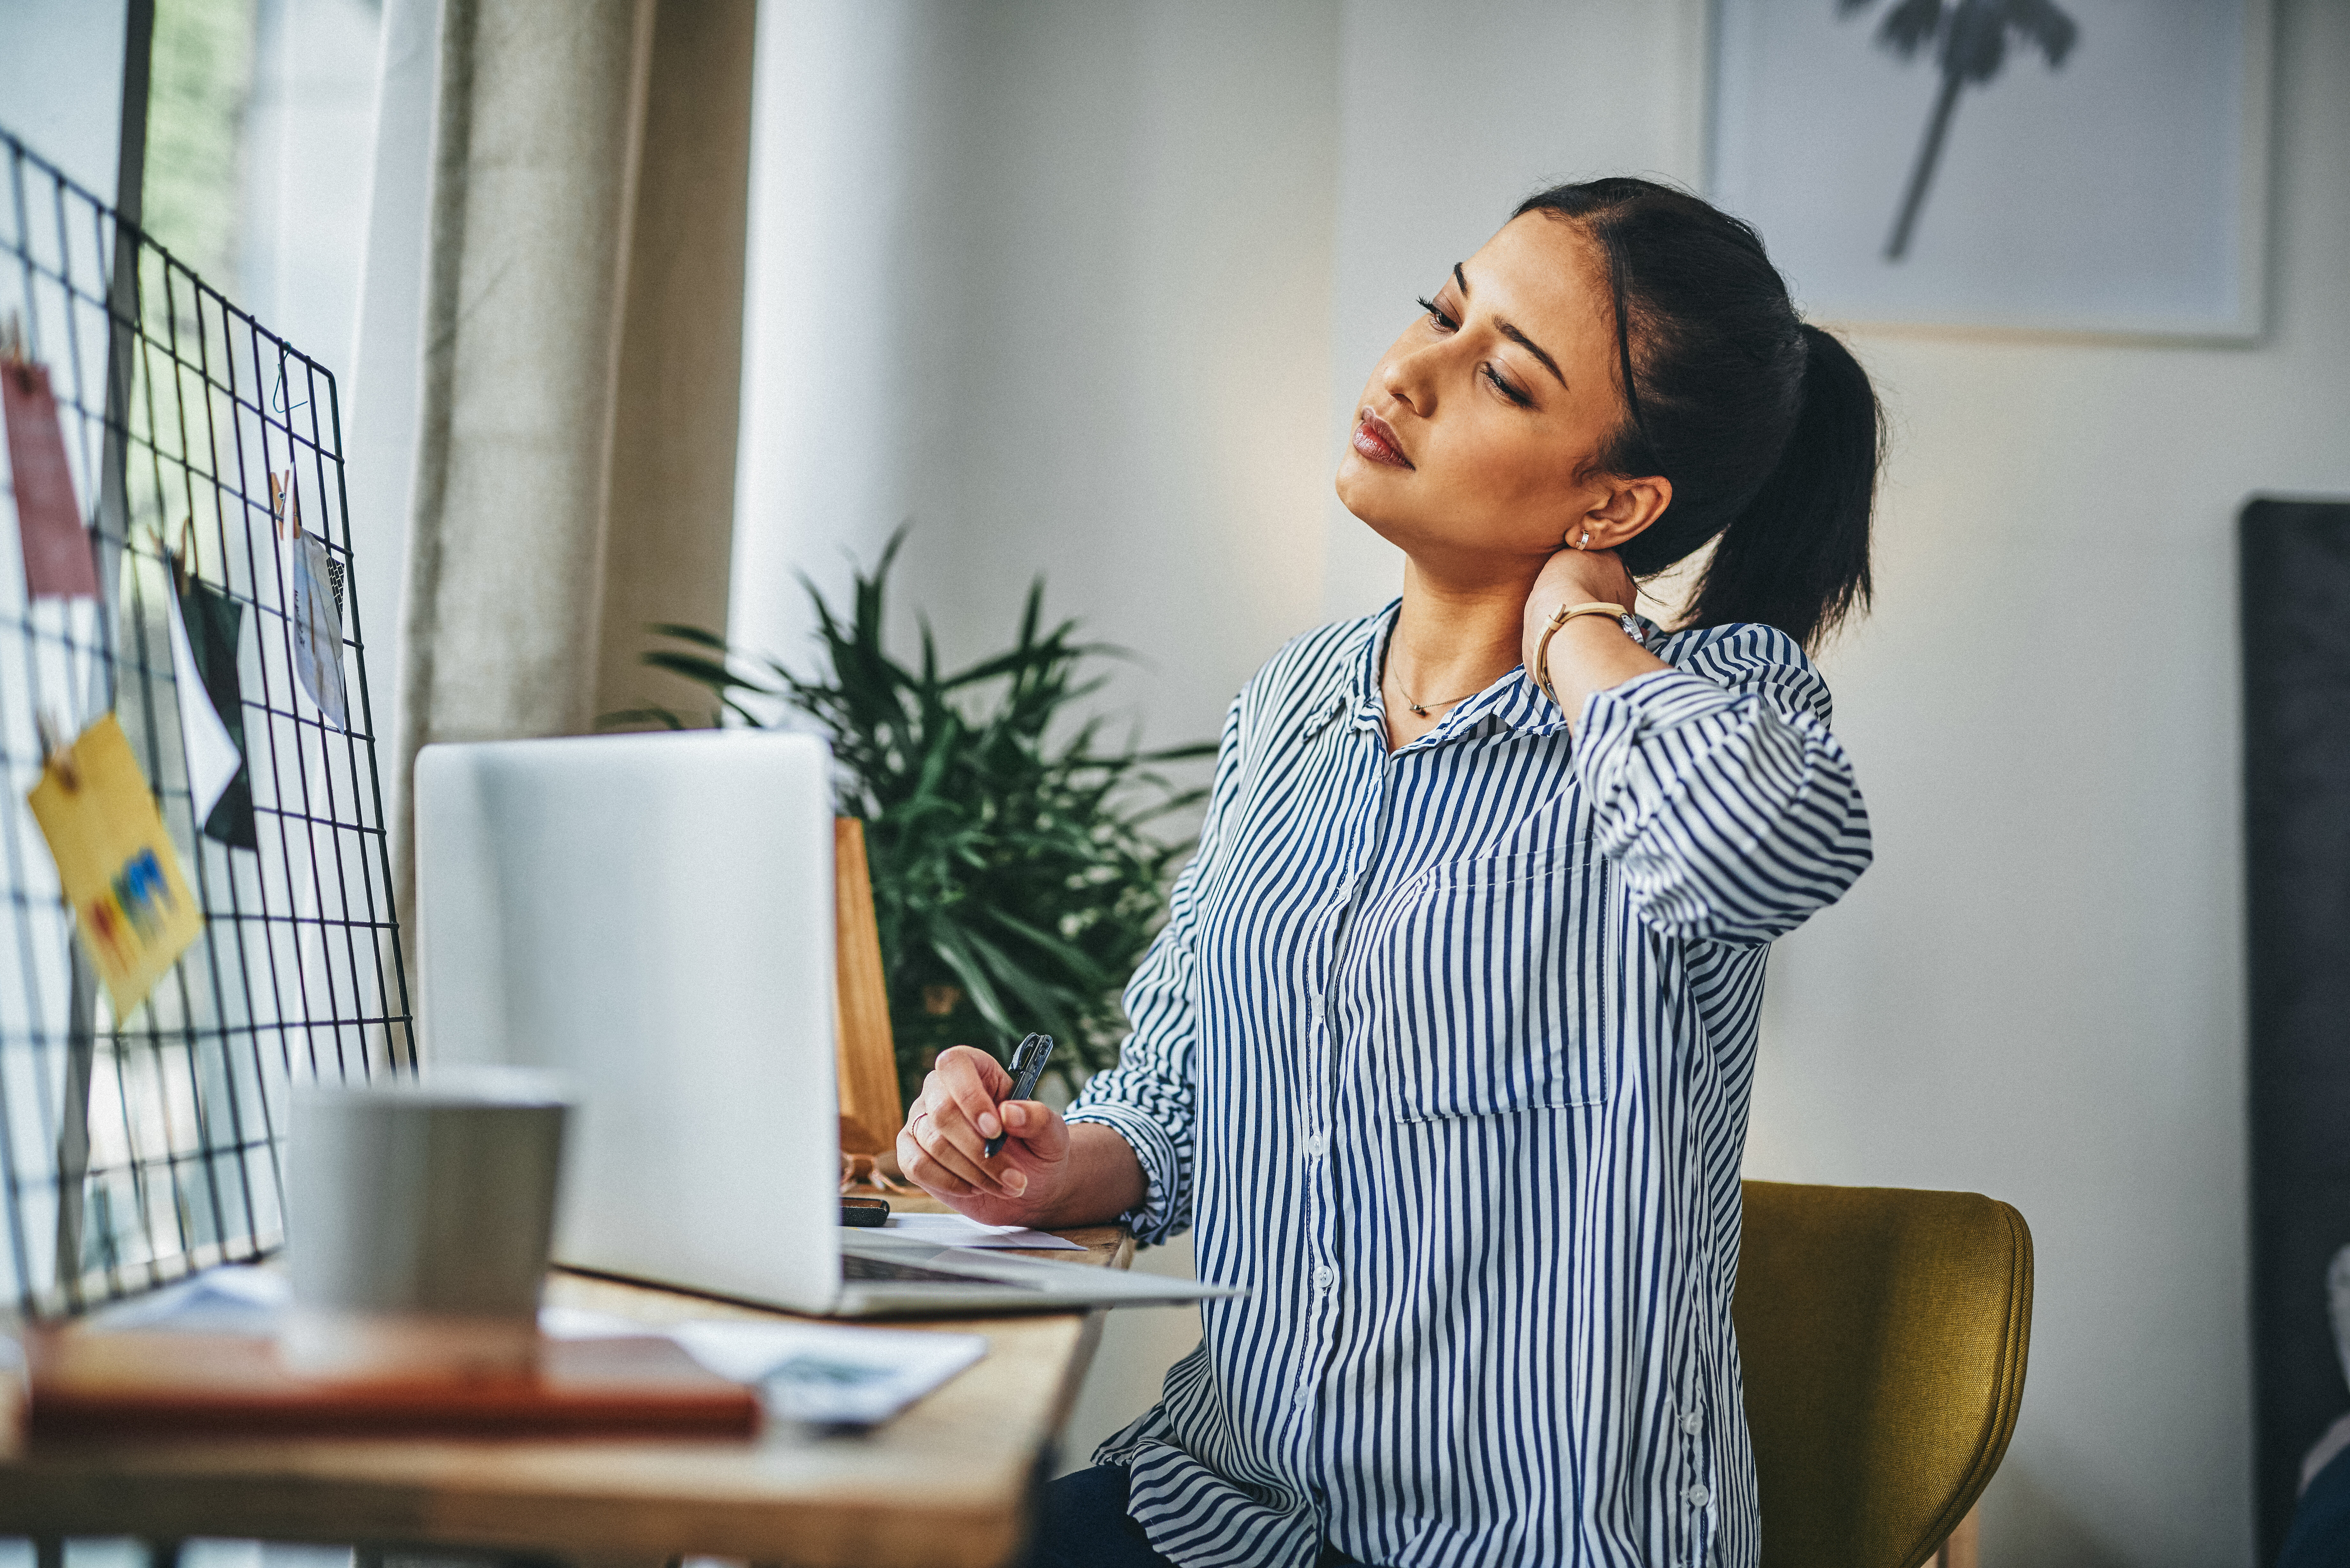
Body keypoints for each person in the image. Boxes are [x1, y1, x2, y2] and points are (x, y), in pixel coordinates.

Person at [898, 177, 1878, 1568]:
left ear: (1616, 498)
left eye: (1501, 376)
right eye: (1439, 308)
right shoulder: (1291, 703)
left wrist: (1581, 637)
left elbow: (1777, 849)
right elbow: (1187, 1086)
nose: (1408, 372)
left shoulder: (1703, 698)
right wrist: (1060, 1162)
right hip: (1220, 1510)